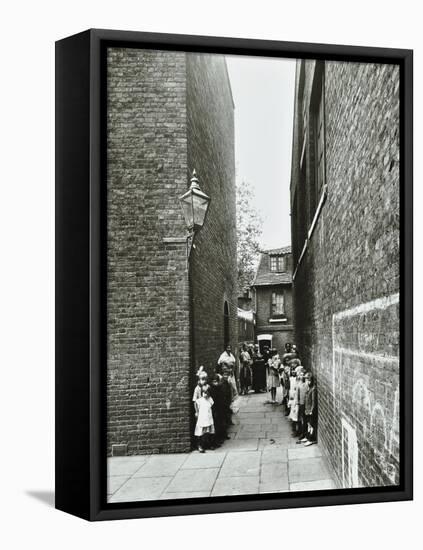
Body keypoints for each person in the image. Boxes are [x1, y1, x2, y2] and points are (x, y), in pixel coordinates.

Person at [194, 385, 215, 453]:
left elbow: (212, 406)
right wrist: (197, 412)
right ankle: (200, 445)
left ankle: (209, 444)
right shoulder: (200, 400)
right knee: (200, 432)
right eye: (204, 393)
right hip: (202, 418)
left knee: (209, 431)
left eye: (207, 393)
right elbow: (195, 404)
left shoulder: (210, 399)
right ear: (202, 393)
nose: (205, 394)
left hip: (208, 418)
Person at [303, 373, 317, 446]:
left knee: (311, 425)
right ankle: (308, 437)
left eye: (308, 380)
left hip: (310, 411)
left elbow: (313, 401)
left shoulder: (313, 389)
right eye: (306, 380)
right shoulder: (309, 388)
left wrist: (312, 410)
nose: (307, 382)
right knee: (308, 424)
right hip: (307, 409)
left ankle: (311, 439)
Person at [295, 370, 308, 442]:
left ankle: (304, 433)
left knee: (304, 419)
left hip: (305, 404)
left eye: (302, 375)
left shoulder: (306, 384)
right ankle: (301, 432)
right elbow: (297, 394)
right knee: (301, 418)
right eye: (300, 375)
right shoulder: (299, 384)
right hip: (301, 403)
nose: (301, 376)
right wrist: (297, 403)